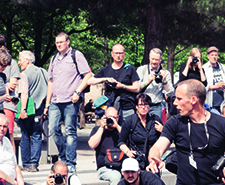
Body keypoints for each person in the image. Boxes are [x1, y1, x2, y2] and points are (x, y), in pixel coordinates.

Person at [45, 32, 92, 174]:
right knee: (53, 129)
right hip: (55, 101)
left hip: (71, 100)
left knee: (70, 131)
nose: (59, 45)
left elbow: (88, 75)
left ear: (68, 42)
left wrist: (78, 92)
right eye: (57, 42)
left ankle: (70, 162)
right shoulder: (54, 58)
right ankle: (63, 156)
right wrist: (47, 104)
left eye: (61, 42)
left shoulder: (76, 55)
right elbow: (50, 81)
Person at [88, 105, 126, 185]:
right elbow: (92, 145)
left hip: (121, 168)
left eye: (113, 117)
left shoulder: (121, 130)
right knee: (116, 176)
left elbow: (129, 141)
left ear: (118, 118)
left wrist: (117, 126)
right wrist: (101, 127)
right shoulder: (97, 130)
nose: (111, 120)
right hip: (104, 169)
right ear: (103, 117)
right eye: (109, 117)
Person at [88, 43, 142, 121]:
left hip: (127, 106)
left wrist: (122, 86)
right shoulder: (106, 69)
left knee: (128, 127)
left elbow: (136, 88)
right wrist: (104, 79)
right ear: (112, 54)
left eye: (120, 53)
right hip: (110, 107)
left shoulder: (130, 69)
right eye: (116, 53)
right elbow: (90, 81)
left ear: (124, 54)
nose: (118, 55)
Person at [15, 50, 48, 172]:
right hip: (40, 109)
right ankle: (34, 164)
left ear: (27, 61)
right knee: (37, 136)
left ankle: (26, 163)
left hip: (28, 109)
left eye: (20, 60)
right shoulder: (43, 72)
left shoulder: (24, 75)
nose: (19, 63)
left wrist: (22, 110)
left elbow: (24, 93)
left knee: (25, 135)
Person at [120, 94, 163, 169]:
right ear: (136, 106)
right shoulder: (130, 121)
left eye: (146, 104)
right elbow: (121, 141)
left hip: (152, 159)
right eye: (140, 105)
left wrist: (162, 131)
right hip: (136, 160)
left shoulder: (155, 119)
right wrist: (128, 152)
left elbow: (164, 140)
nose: (143, 107)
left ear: (149, 106)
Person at [0, 36, 20, 135]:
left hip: (1, 109)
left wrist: (9, 99)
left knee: (7, 135)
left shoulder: (3, 74)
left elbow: (10, 87)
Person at [136, 48, 173, 122]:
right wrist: (147, 81)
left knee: (156, 127)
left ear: (160, 59)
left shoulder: (165, 72)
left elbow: (170, 92)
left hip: (157, 107)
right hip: (142, 106)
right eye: (152, 59)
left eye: (156, 59)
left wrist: (164, 80)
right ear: (149, 57)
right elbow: (136, 88)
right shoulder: (141, 70)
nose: (154, 62)